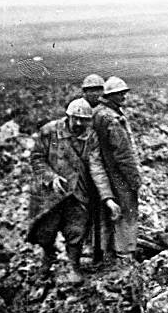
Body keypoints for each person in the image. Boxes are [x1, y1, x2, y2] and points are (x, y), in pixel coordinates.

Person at [27, 99, 121, 284]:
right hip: (50, 194)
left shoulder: (91, 137)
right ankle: (47, 258)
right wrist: (50, 177)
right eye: (75, 119)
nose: (78, 124)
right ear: (68, 116)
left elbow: (97, 168)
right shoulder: (49, 131)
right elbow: (37, 157)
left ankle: (74, 266)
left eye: (83, 120)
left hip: (77, 191)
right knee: (45, 231)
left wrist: (108, 198)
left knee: (76, 230)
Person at [92, 76, 141, 265]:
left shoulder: (97, 113)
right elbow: (123, 153)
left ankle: (106, 253)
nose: (124, 97)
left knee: (107, 213)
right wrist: (135, 179)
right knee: (128, 209)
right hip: (118, 173)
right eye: (120, 94)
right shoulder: (111, 118)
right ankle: (125, 254)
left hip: (104, 170)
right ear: (110, 95)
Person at [81, 73, 105, 263]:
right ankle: (86, 248)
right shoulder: (80, 109)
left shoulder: (102, 111)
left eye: (99, 89)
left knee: (101, 211)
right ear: (85, 92)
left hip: (99, 168)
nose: (96, 94)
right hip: (83, 168)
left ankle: (100, 249)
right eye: (92, 90)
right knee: (84, 211)